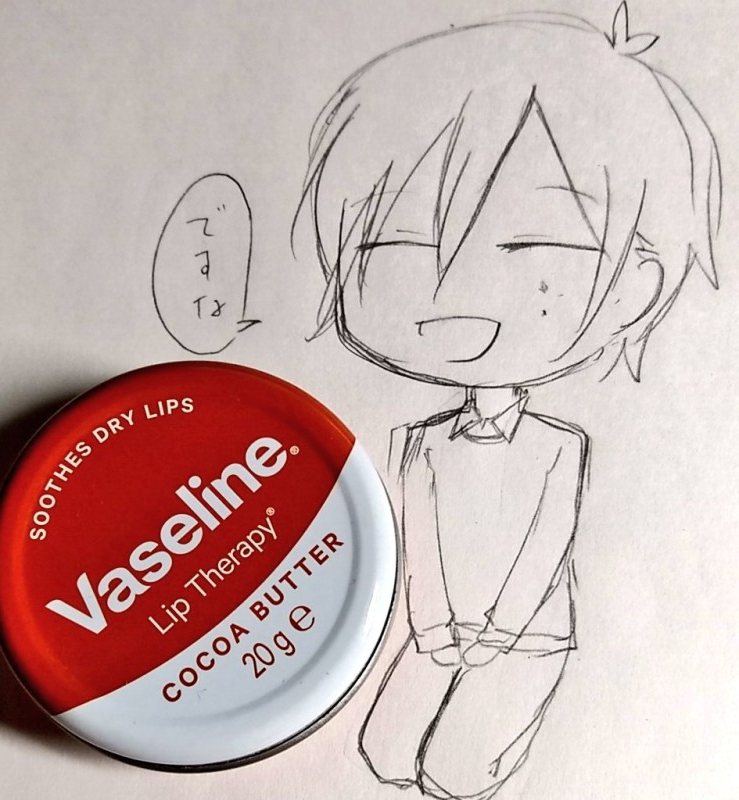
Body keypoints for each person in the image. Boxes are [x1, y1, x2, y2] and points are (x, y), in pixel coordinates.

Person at [297, 6, 720, 798]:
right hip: (436, 633)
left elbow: (545, 546)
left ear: (635, 285)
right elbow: (418, 540)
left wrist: (499, 631)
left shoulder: (560, 444)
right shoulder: (420, 439)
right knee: (384, 757)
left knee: (453, 777)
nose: (452, 295)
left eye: (528, 247)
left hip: (527, 636)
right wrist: (435, 627)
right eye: (397, 248)